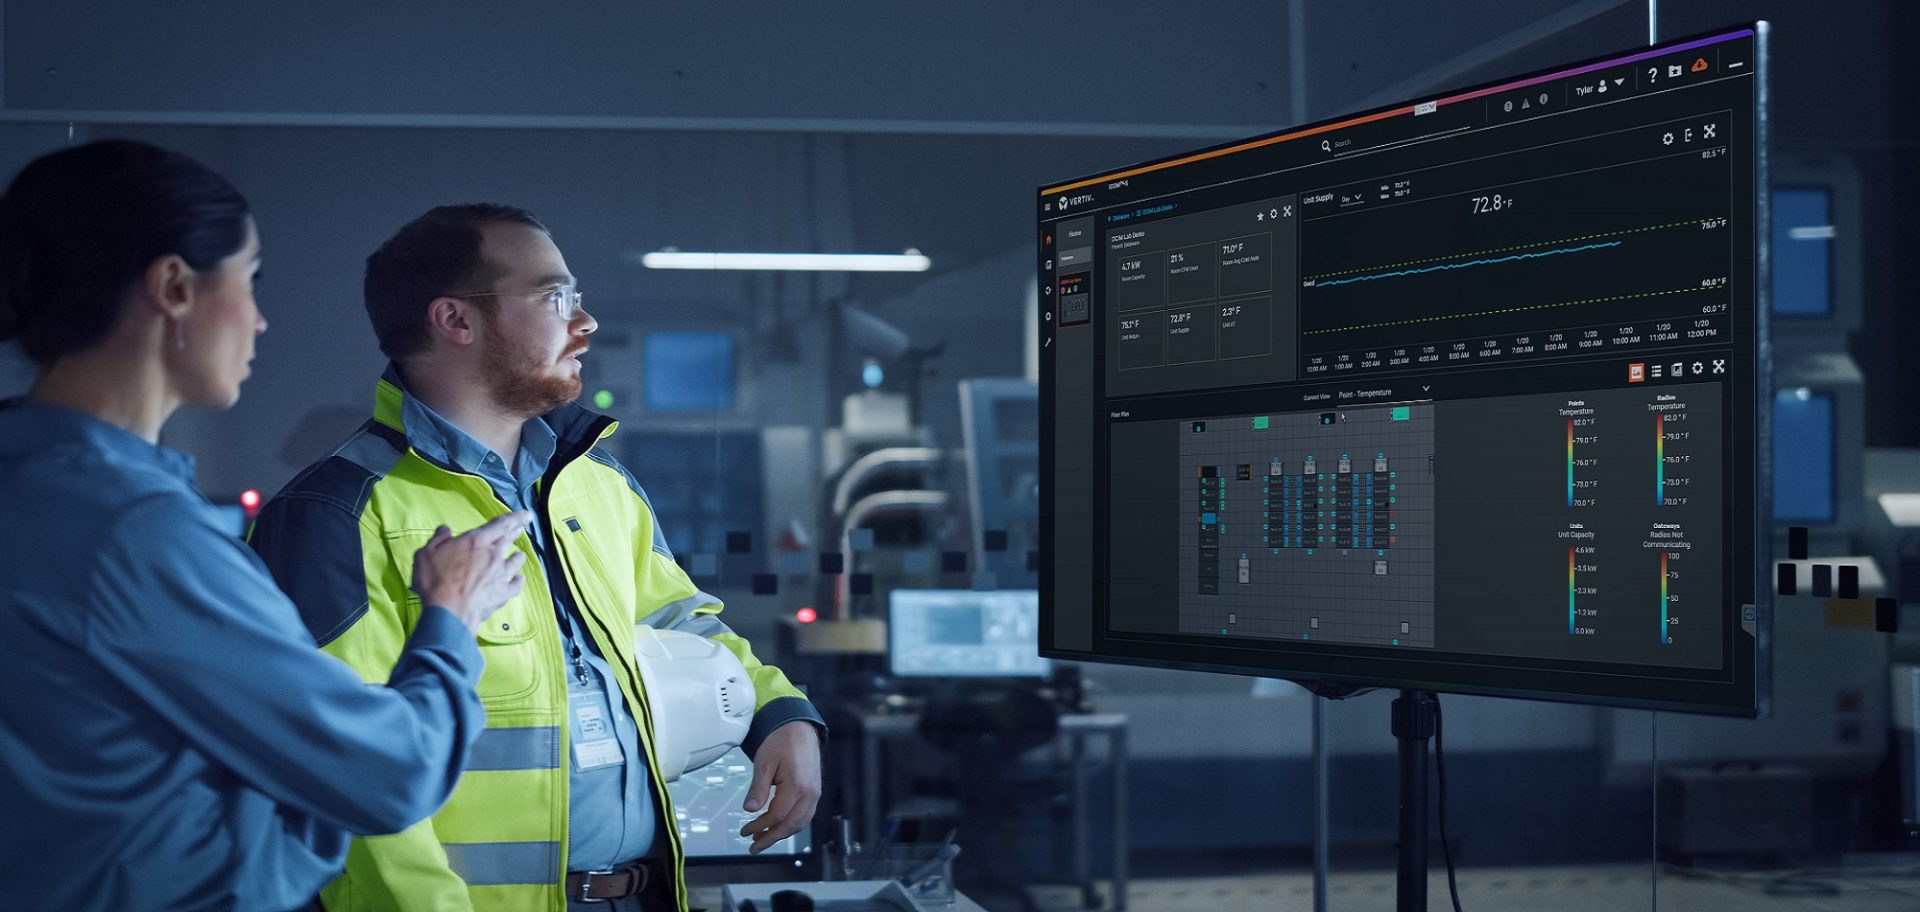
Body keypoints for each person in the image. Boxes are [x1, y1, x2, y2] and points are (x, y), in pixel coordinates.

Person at [0, 140, 534, 911]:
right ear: (176, 287)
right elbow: (390, 773)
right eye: (248, 280)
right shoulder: (133, 533)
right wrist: (449, 620)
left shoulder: (33, 489)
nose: (258, 320)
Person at [247, 204, 826, 912]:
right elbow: (342, 770)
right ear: (456, 320)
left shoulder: (594, 481)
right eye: (555, 298)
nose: (584, 323)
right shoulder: (335, 516)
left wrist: (780, 710)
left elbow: (681, 623)